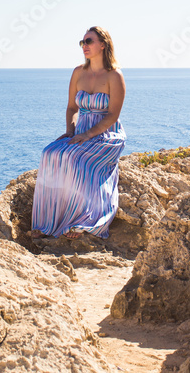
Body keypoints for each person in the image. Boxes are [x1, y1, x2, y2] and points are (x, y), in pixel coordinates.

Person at [30, 26, 126, 240]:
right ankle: (46, 224)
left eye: (89, 41)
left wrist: (88, 135)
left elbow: (113, 115)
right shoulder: (78, 72)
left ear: (103, 44)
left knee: (75, 158)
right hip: (80, 132)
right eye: (82, 42)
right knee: (50, 153)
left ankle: (82, 220)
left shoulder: (115, 76)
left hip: (107, 135)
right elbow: (72, 108)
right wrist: (70, 131)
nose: (84, 46)